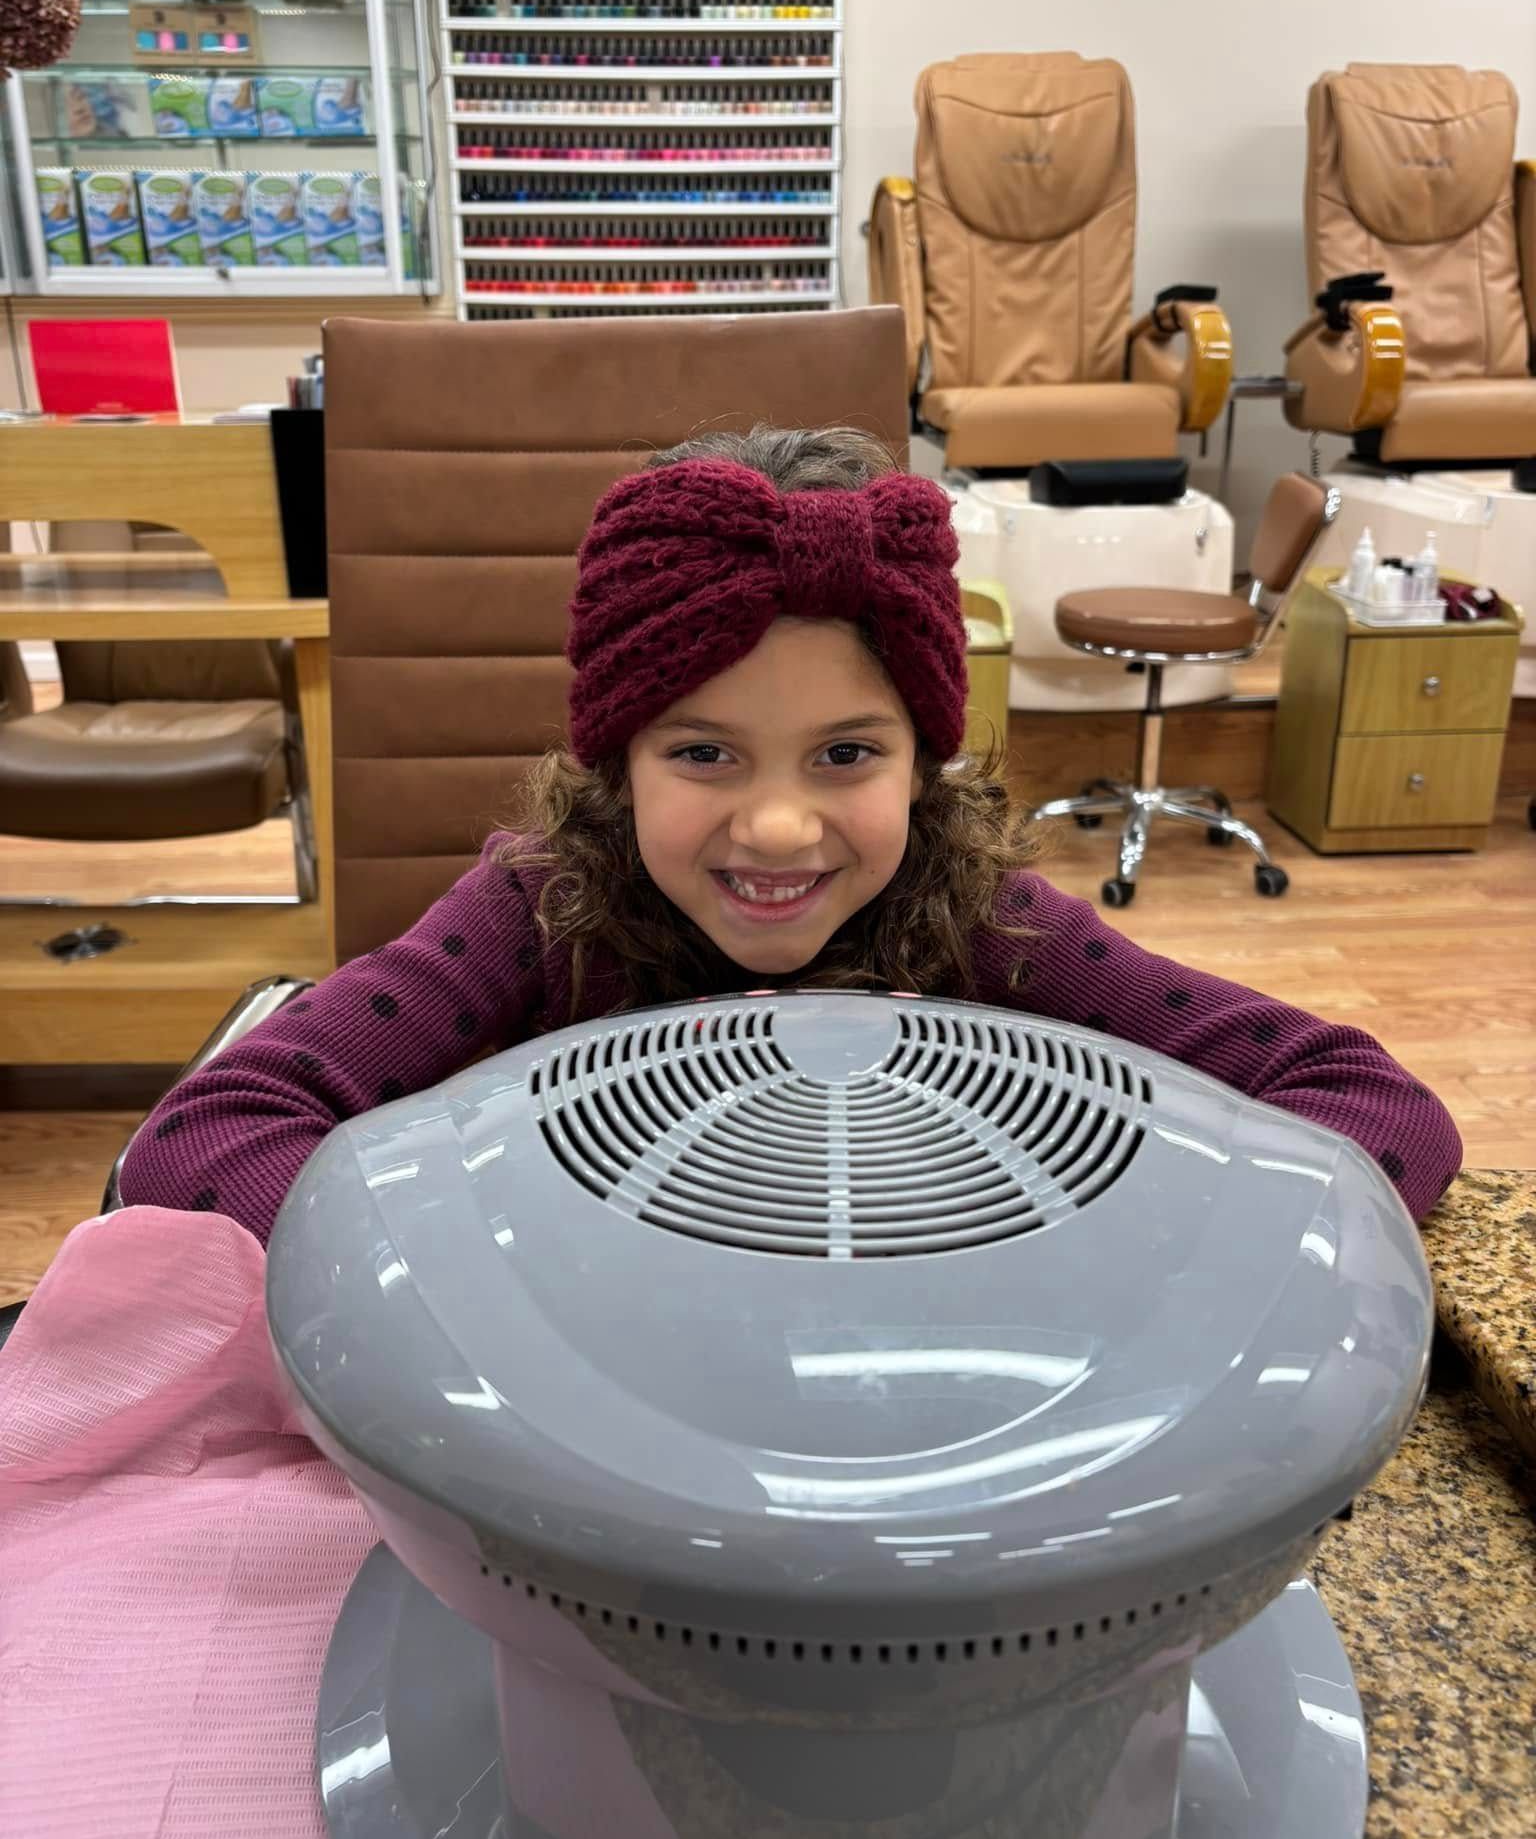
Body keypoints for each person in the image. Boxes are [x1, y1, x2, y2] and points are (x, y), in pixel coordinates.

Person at [119, 425, 1461, 1240]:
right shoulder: (535, 911)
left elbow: (1374, 1111)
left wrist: (1123, 1260)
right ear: (616, 760)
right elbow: (211, 1133)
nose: (776, 824)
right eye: (701, 753)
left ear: (927, 765)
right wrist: (472, 1274)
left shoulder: (981, 921)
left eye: (848, 755)